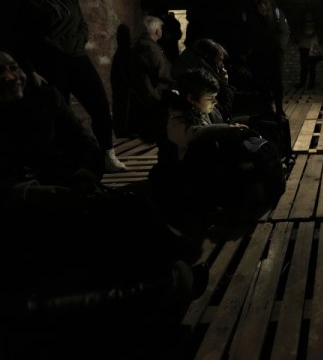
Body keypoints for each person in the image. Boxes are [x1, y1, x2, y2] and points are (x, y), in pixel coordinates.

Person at [0, 50, 206, 353]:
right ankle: (168, 277)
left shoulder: (42, 96)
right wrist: (37, 191)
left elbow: (84, 140)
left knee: (134, 207)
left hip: (68, 183)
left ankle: (174, 265)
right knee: (124, 213)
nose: (10, 76)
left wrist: (85, 173)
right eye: (0, 72)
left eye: (14, 67)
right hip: (26, 203)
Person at [4, 0, 126, 172]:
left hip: (78, 59)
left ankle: (108, 153)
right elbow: (22, 34)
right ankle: (71, 163)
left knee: (99, 104)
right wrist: (49, 50)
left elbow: (82, 25)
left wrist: (77, 42)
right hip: (50, 63)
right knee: (62, 112)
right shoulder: (27, 0)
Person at [148, 68, 283, 223]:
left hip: (209, 164)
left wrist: (236, 126)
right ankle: (208, 202)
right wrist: (225, 130)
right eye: (210, 98)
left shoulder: (203, 108)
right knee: (205, 147)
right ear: (192, 99)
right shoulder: (176, 115)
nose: (215, 102)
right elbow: (190, 135)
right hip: (185, 168)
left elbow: (218, 125)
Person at [128, 15, 172, 142]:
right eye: (161, 29)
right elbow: (162, 73)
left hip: (148, 93)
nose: (162, 31)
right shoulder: (149, 47)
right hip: (153, 95)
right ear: (157, 31)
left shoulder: (144, 44)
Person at [249, 0, 290, 118]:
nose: (260, 9)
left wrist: (279, 48)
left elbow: (285, 32)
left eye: (262, 6)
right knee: (262, 82)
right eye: (258, 7)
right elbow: (249, 33)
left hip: (274, 54)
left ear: (267, 6)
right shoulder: (254, 16)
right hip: (259, 54)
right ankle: (267, 108)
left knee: (276, 82)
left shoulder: (277, 14)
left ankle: (279, 108)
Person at [110, 23, 132, 138]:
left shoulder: (120, 53)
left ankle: (121, 130)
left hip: (119, 85)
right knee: (122, 109)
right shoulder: (124, 52)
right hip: (123, 86)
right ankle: (122, 131)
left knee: (119, 108)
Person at [295, 12, 322, 89]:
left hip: (312, 47)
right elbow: (298, 35)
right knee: (304, 67)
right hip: (304, 47)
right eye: (307, 14)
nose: (309, 16)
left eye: (310, 14)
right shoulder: (302, 25)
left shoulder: (315, 25)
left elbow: (319, 35)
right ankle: (303, 83)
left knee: (312, 67)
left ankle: (311, 83)